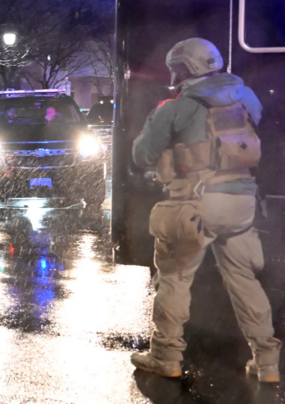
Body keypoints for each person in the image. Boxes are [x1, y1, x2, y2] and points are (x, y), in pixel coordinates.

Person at [130, 38, 281, 383]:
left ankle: (165, 356)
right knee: (245, 282)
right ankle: (268, 363)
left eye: (176, 68)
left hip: (195, 206)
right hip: (242, 205)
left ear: (189, 69)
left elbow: (142, 155)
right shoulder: (246, 96)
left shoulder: (174, 107)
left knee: (175, 279)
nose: (173, 74)